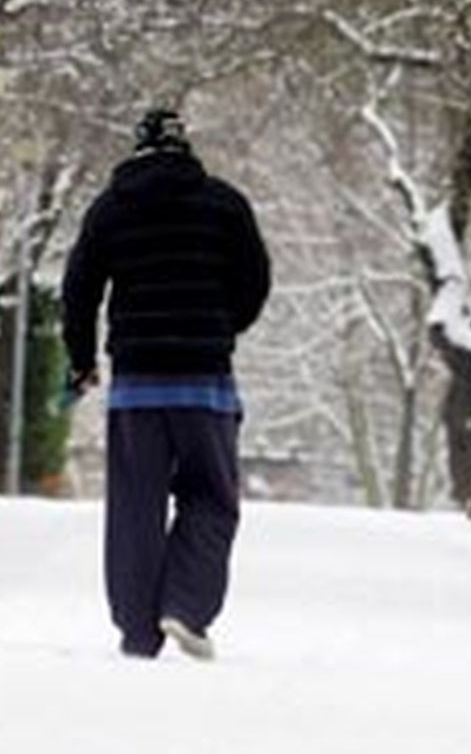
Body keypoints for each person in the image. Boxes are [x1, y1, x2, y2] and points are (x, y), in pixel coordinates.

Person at [60, 107, 271, 660]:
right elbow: (255, 282)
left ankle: (136, 629)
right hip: (205, 382)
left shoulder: (110, 210)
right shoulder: (224, 204)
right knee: (212, 497)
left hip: (136, 384)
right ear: (186, 148)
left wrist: (82, 361)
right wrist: (223, 327)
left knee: (135, 507)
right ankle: (186, 605)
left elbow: (79, 288)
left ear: (137, 150)